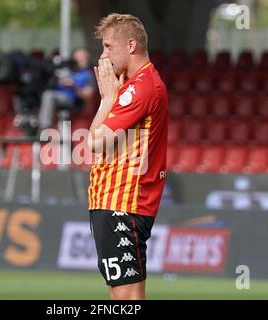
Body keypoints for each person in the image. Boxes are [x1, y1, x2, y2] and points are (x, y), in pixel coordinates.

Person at [87, 13, 169, 300]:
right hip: (114, 200)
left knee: (126, 297)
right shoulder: (136, 85)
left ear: (131, 45)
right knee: (124, 294)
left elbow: (95, 143)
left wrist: (108, 99)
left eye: (108, 46)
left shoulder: (141, 87)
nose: (103, 55)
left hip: (123, 201)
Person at [38, 47, 95, 130]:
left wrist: (73, 86)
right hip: (57, 97)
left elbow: (87, 95)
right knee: (45, 93)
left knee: (48, 95)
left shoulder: (87, 75)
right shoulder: (67, 71)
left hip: (72, 100)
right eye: (79, 59)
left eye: (84, 58)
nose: (82, 61)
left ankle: (44, 128)